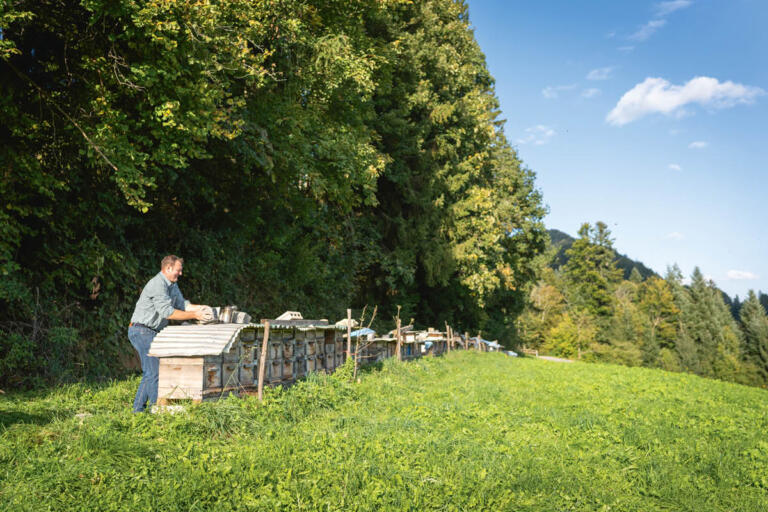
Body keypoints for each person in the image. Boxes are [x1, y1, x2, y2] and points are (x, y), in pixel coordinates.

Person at [128, 255, 207, 412]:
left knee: (151, 372)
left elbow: (182, 305)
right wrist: (194, 315)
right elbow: (168, 312)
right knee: (154, 371)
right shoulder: (157, 284)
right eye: (178, 270)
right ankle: (154, 410)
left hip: (151, 331)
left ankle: (138, 410)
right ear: (168, 268)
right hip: (141, 330)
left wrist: (201, 309)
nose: (181, 273)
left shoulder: (172, 285)